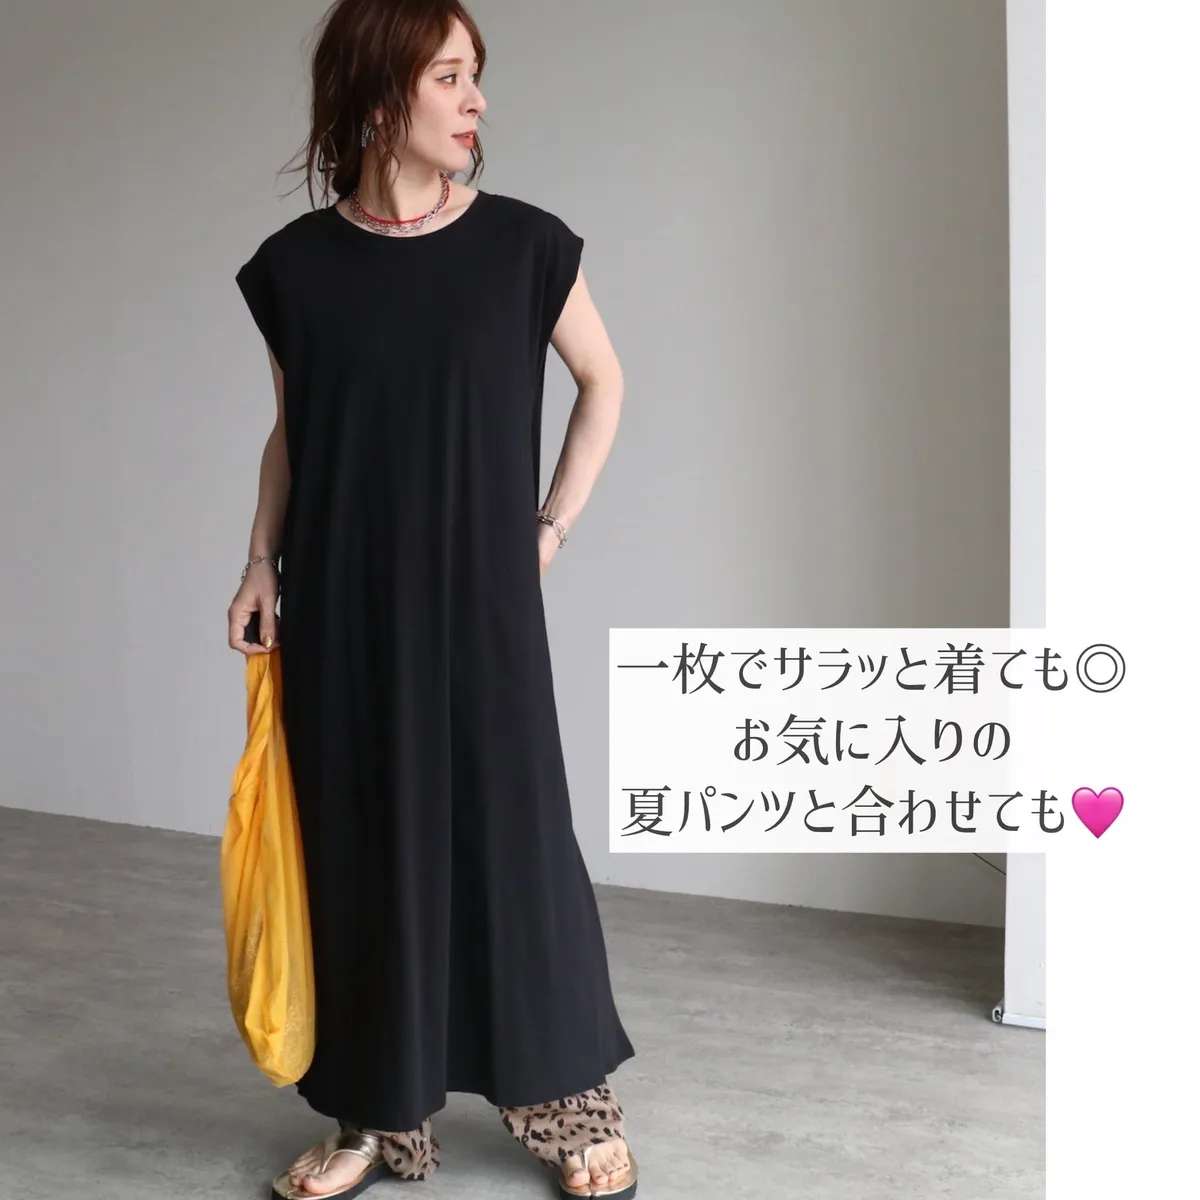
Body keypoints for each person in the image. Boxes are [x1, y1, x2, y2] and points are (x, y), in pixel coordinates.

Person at [226, 2, 637, 1197]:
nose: (477, 100)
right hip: (344, 603)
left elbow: (604, 382)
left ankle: (566, 1105)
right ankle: (373, 1114)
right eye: (449, 76)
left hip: (479, 602)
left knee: (513, 836)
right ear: (378, 94)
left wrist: (548, 526)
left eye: (476, 76)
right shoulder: (296, 269)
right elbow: (297, 432)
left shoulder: (523, 246)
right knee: (358, 843)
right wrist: (260, 562)